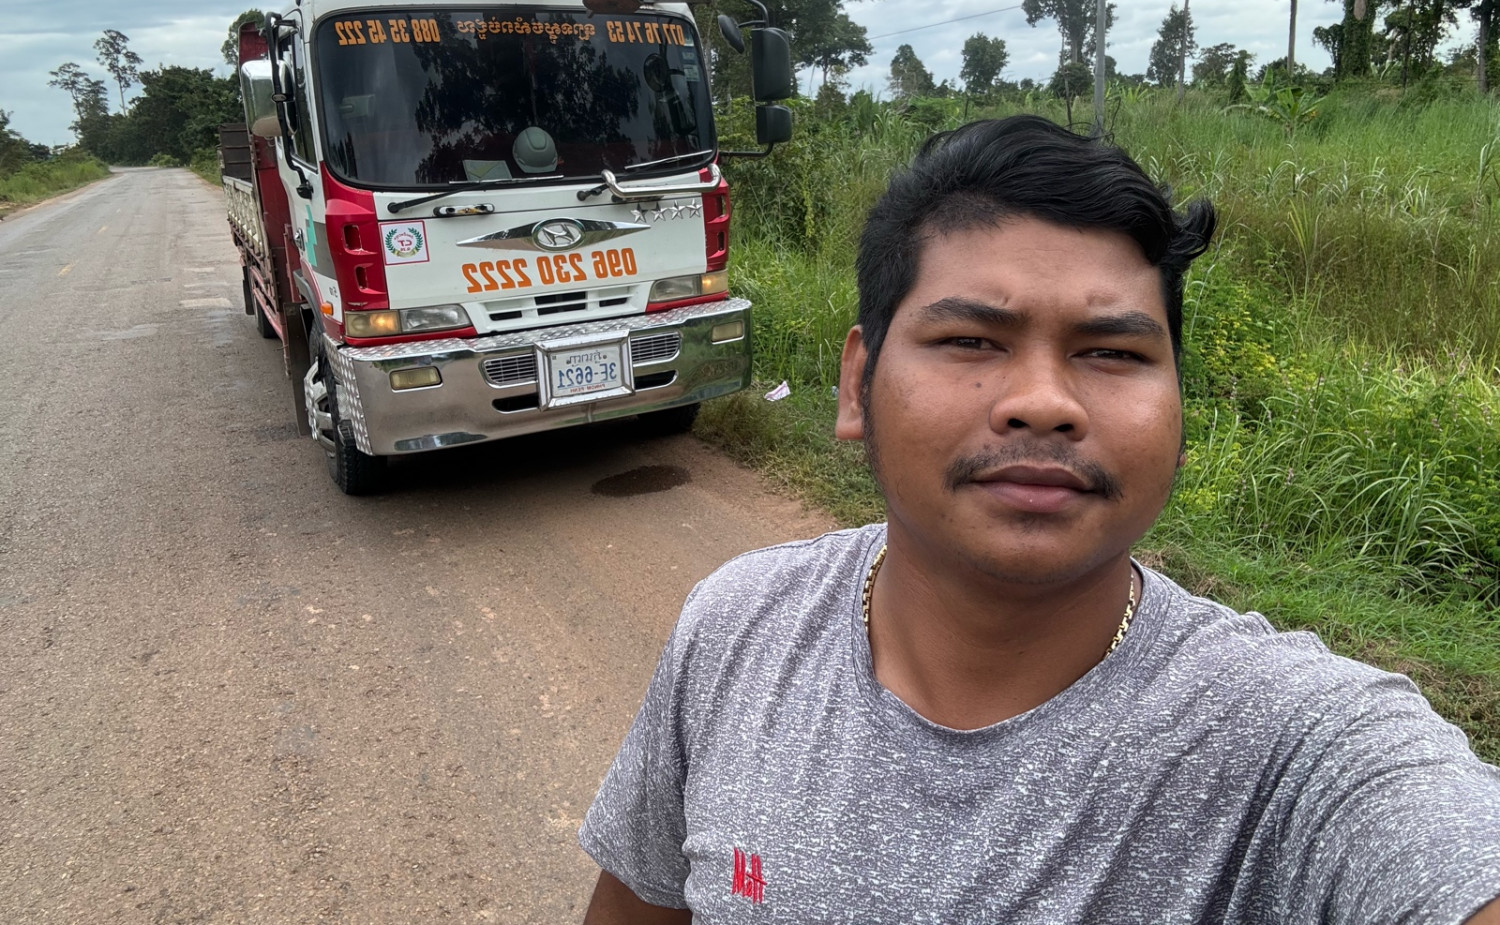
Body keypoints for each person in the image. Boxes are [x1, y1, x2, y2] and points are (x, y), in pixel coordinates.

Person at [577, 116, 1500, 923]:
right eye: (971, 340)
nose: (1044, 402)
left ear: (1180, 414)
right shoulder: (738, 628)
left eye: (1111, 352)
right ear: (858, 383)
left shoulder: (1300, 748)